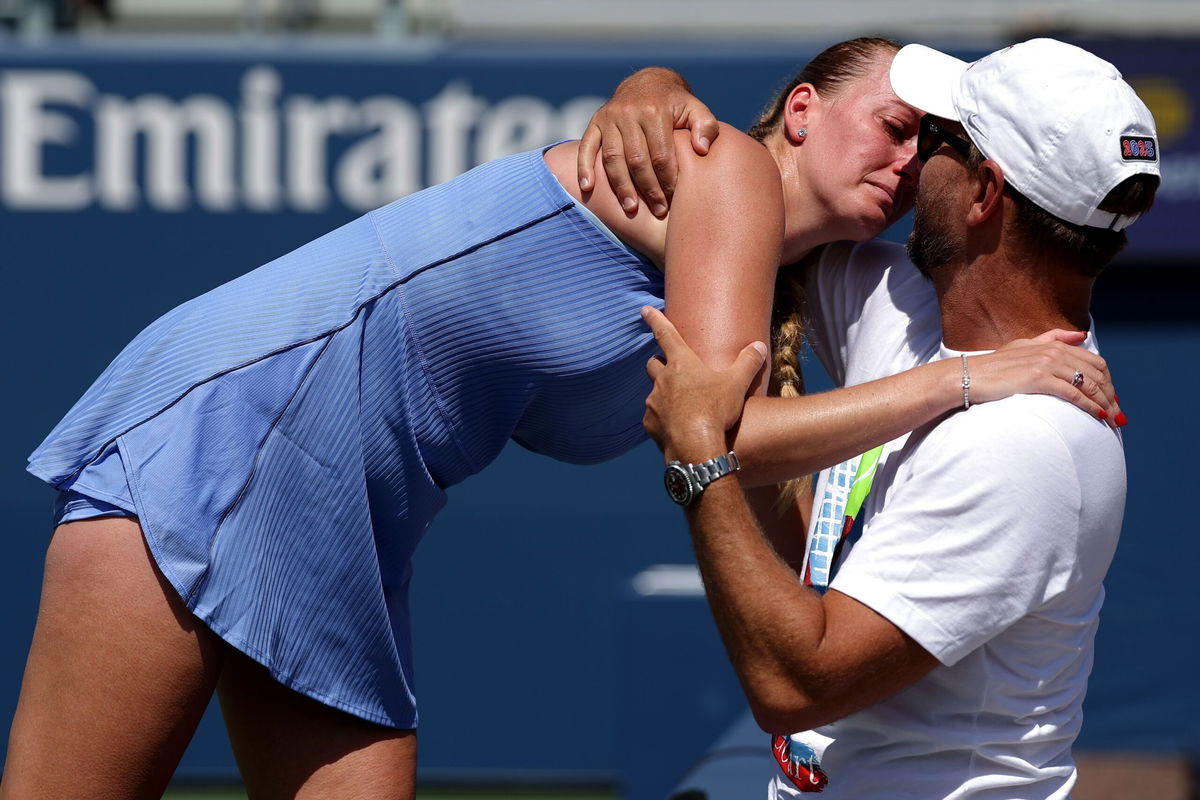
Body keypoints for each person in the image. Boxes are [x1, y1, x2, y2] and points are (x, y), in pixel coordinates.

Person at [2, 40, 1118, 800]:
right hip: (238, 406)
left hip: (349, 492)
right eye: (890, 124)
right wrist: (968, 381)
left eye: (928, 143)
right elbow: (715, 437)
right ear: (798, 111)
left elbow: (745, 466)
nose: (907, 156)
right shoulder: (723, 167)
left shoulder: (792, 280)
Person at [617, 38, 1157, 798]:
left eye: (936, 140)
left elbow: (797, 684)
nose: (910, 163)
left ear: (983, 194)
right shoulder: (908, 298)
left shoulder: (1029, 443)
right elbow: (763, 201)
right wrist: (653, 89)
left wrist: (699, 457)